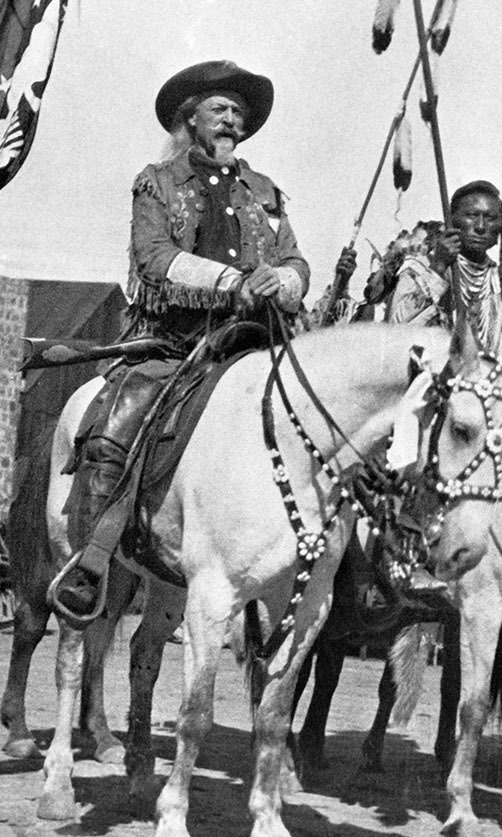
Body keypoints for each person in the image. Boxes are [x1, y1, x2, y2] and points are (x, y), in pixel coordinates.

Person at [55, 60, 311, 622]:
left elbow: (294, 258)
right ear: (190, 118)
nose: (231, 122)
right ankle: (93, 557)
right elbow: (154, 259)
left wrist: (283, 280)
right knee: (119, 423)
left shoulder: (264, 192)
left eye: (239, 115)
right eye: (220, 109)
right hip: (173, 343)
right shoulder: (157, 182)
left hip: (252, 345)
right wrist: (233, 283)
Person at [386, 180, 502, 354]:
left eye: (490, 218)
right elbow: (395, 331)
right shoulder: (418, 269)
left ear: (500, 229)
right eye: (471, 215)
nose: (480, 226)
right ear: (452, 222)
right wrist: (438, 268)